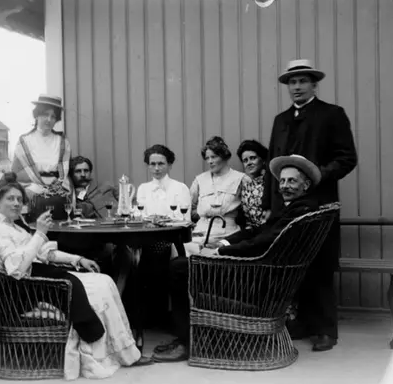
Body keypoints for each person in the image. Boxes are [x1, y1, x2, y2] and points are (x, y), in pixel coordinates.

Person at [0, 172, 153, 379]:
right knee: (98, 288)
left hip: (41, 276)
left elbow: (44, 252)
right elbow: (17, 269)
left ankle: (124, 350)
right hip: (31, 288)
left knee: (105, 280)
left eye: (19, 199)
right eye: (10, 199)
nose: (17, 203)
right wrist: (40, 233)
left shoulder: (14, 226)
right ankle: (102, 355)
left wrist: (77, 259)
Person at [152, 155, 322, 363]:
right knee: (185, 263)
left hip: (256, 279)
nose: (285, 185)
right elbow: (257, 231)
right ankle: (199, 333)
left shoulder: (300, 211)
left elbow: (263, 242)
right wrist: (224, 243)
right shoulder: (297, 208)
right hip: (263, 274)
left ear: (306, 185)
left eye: (292, 181)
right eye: (283, 180)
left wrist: (220, 253)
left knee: (179, 267)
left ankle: (186, 342)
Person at [263, 59, 358, 352]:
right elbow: (272, 163)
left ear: (314, 85)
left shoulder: (332, 114)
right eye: (292, 82)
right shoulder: (281, 120)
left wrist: (316, 175)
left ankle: (325, 329)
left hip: (319, 203)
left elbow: (347, 158)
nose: (297, 87)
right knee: (293, 263)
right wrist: (269, 203)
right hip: (285, 206)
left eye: (303, 81)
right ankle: (302, 322)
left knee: (320, 264)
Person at [134, 145, 192, 328]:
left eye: (161, 164)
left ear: (169, 165)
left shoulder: (180, 188)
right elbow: (140, 217)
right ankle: (147, 315)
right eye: (152, 164)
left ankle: (161, 316)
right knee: (128, 255)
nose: (156, 168)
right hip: (146, 238)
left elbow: (184, 220)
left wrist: (158, 221)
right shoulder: (143, 189)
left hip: (174, 239)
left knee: (157, 252)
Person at [184, 136, 250, 255]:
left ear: (224, 156)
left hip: (227, 233)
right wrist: (201, 215)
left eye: (214, 157)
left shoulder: (241, 179)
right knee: (188, 257)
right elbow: (188, 208)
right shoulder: (200, 180)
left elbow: (250, 211)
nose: (210, 161)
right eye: (207, 158)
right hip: (200, 232)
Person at [11, 94, 73, 221]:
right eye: (45, 114)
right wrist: (41, 184)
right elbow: (17, 173)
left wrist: (56, 184)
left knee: (61, 201)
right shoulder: (25, 141)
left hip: (57, 187)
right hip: (31, 186)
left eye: (53, 116)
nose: (49, 119)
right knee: (39, 201)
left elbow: (64, 172)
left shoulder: (62, 142)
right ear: (37, 115)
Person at [237, 140, 271, 230]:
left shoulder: (271, 183)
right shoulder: (244, 186)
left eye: (253, 158)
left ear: (263, 160)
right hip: (250, 231)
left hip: (269, 231)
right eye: (245, 160)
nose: (249, 163)